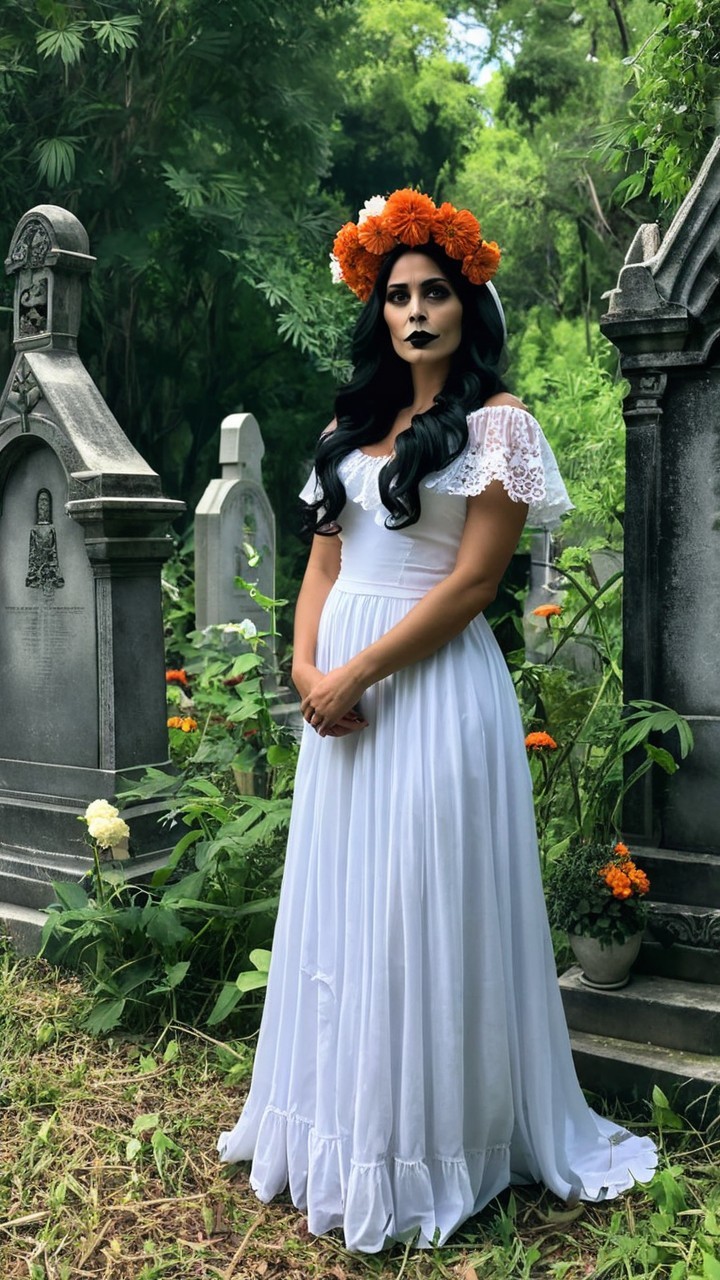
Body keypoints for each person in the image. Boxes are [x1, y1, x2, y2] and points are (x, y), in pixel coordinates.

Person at [217, 189, 657, 1252]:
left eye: (436, 293)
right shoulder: (348, 429)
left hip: (432, 691)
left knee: (425, 900)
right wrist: (305, 664)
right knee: (350, 902)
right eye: (398, 295)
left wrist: (357, 670)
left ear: (468, 306)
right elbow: (322, 561)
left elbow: (470, 586)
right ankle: (344, 1125)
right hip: (344, 701)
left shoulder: (499, 426)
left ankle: (439, 1142)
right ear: (379, 313)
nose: (415, 311)